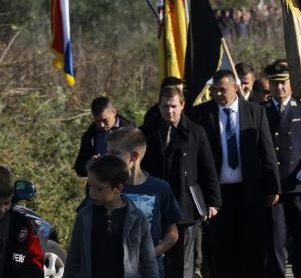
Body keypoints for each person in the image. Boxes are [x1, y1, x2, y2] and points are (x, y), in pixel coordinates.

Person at [190, 69, 281, 278]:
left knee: (252, 248)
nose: (218, 94)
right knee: (222, 250)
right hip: (218, 195)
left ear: (235, 88)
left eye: (223, 90)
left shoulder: (255, 112)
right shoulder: (201, 114)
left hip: (250, 191)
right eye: (214, 90)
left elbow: (266, 151)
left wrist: (273, 187)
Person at [141, 86, 222, 278]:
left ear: (182, 105)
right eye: (165, 106)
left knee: (184, 263)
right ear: (159, 106)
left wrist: (213, 201)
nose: (169, 111)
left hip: (185, 205)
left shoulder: (195, 132)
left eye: (174, 106)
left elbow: (207, 167)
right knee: (156, 260)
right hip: (156, 205)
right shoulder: (149, 132)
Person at [262, 60, 301, 278]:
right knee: (275, 241)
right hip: (273, 187)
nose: (279, 87)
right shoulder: (261, 111)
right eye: (275, 83)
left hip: (298, 185)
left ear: (290, 83)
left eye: (283, 82)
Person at [105, 127, 182, 278]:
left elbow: (172, 233)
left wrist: (150, 254)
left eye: (114, 154)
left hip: (149, 271)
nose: (108, 158)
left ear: (134, 156)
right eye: (107, 153)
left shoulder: (160, 188)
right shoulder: (106, 187)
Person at [65, 155, 159, 278]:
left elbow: (148, 261)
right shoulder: (84, 217)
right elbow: (73, 258)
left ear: (118, 188)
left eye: (99, 189)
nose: (92, 193)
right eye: (90, 186)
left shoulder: (137, 218)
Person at [0, 167, 43, 278]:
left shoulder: (22, 225)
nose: (2, 209)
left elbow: (36, 261)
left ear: (12, 198)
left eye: (6, 203)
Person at [74, 96, 134, 176]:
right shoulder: (89, 136)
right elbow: (79, 168)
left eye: (105, 120)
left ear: (114, 112)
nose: (101, 125)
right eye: (97, 121)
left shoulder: (132, 133)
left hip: (126, 182)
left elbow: (140, 163)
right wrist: (89, 165)